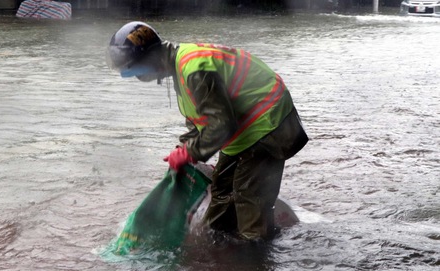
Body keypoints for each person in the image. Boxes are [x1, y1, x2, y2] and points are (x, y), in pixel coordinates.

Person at [108, 21, 308, 242]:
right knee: (221, 190)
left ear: (151, 58)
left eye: (136, 71)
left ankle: (255, 259)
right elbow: (200, 119)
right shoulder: (180, 68)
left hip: (268, 123)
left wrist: (188, 153)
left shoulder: (194, 70)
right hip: (245, 126)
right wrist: (184, 148)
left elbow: (221, 126)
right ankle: (220, 243)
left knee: (248, 197)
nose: (138, 77)